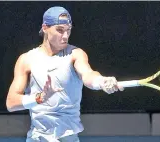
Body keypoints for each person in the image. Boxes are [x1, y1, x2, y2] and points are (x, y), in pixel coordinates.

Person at [6, 6, 124, 142]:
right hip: (37, 137)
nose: (65, 36)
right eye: (60, 30)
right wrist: (40, 98)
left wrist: (101, 81)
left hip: (68, 138)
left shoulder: (76, 54)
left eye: (68, 30)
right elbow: (11, 103)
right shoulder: (26, 60)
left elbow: (88, 74)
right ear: (45, 28)